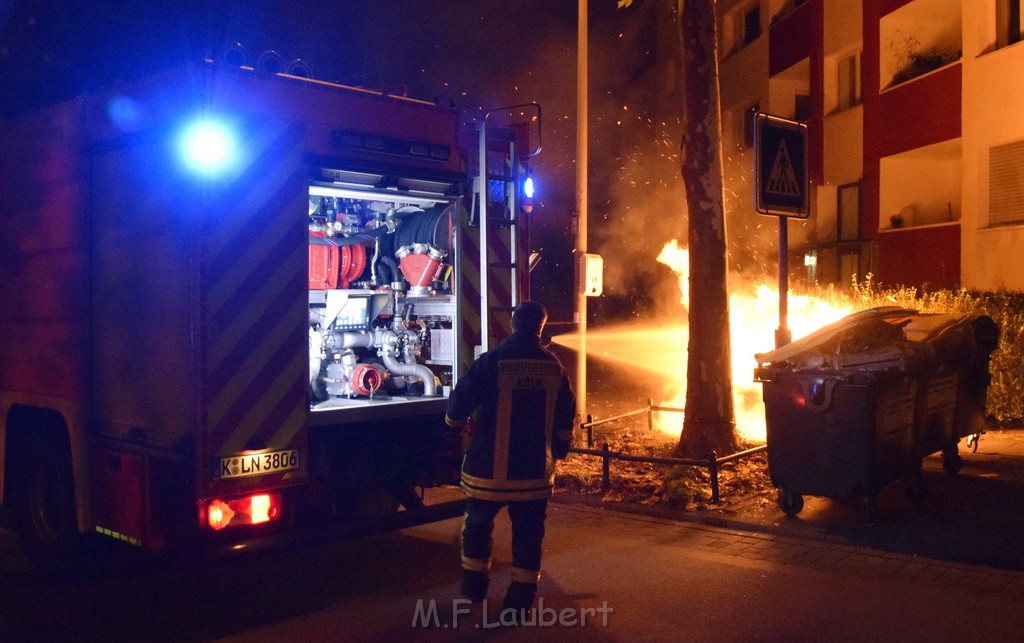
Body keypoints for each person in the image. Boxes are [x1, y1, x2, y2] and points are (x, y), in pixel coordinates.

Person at [445, 300, 576, 614]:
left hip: (488, 471)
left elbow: (461, 400)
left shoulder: (492, 361)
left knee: (476, 526)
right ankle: (520, 599)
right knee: (529, 535)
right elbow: (564, 420)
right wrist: (557, 453)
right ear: (540, 328)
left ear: (514, 325)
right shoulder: (554, 367)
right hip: (533, 474)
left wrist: (453, 423)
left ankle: (475, 587)